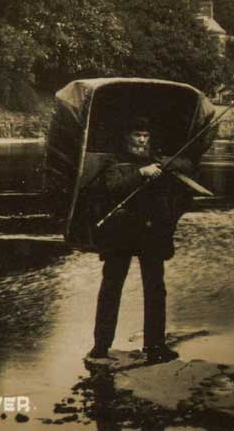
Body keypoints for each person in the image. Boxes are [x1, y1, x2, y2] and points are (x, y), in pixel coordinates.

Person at [86, 116, 194, 364]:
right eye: (137, 135)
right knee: (111, 288)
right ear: (127, 137)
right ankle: (100, 347)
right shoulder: (113, 160)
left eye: (146, 136)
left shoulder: (156, 159)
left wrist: (163, 164)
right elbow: (113, 186)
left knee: (156, 289)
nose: (142, 140)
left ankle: (155, 346)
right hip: (120, 233)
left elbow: (187, 165)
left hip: (151, 232)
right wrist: (140, 173)